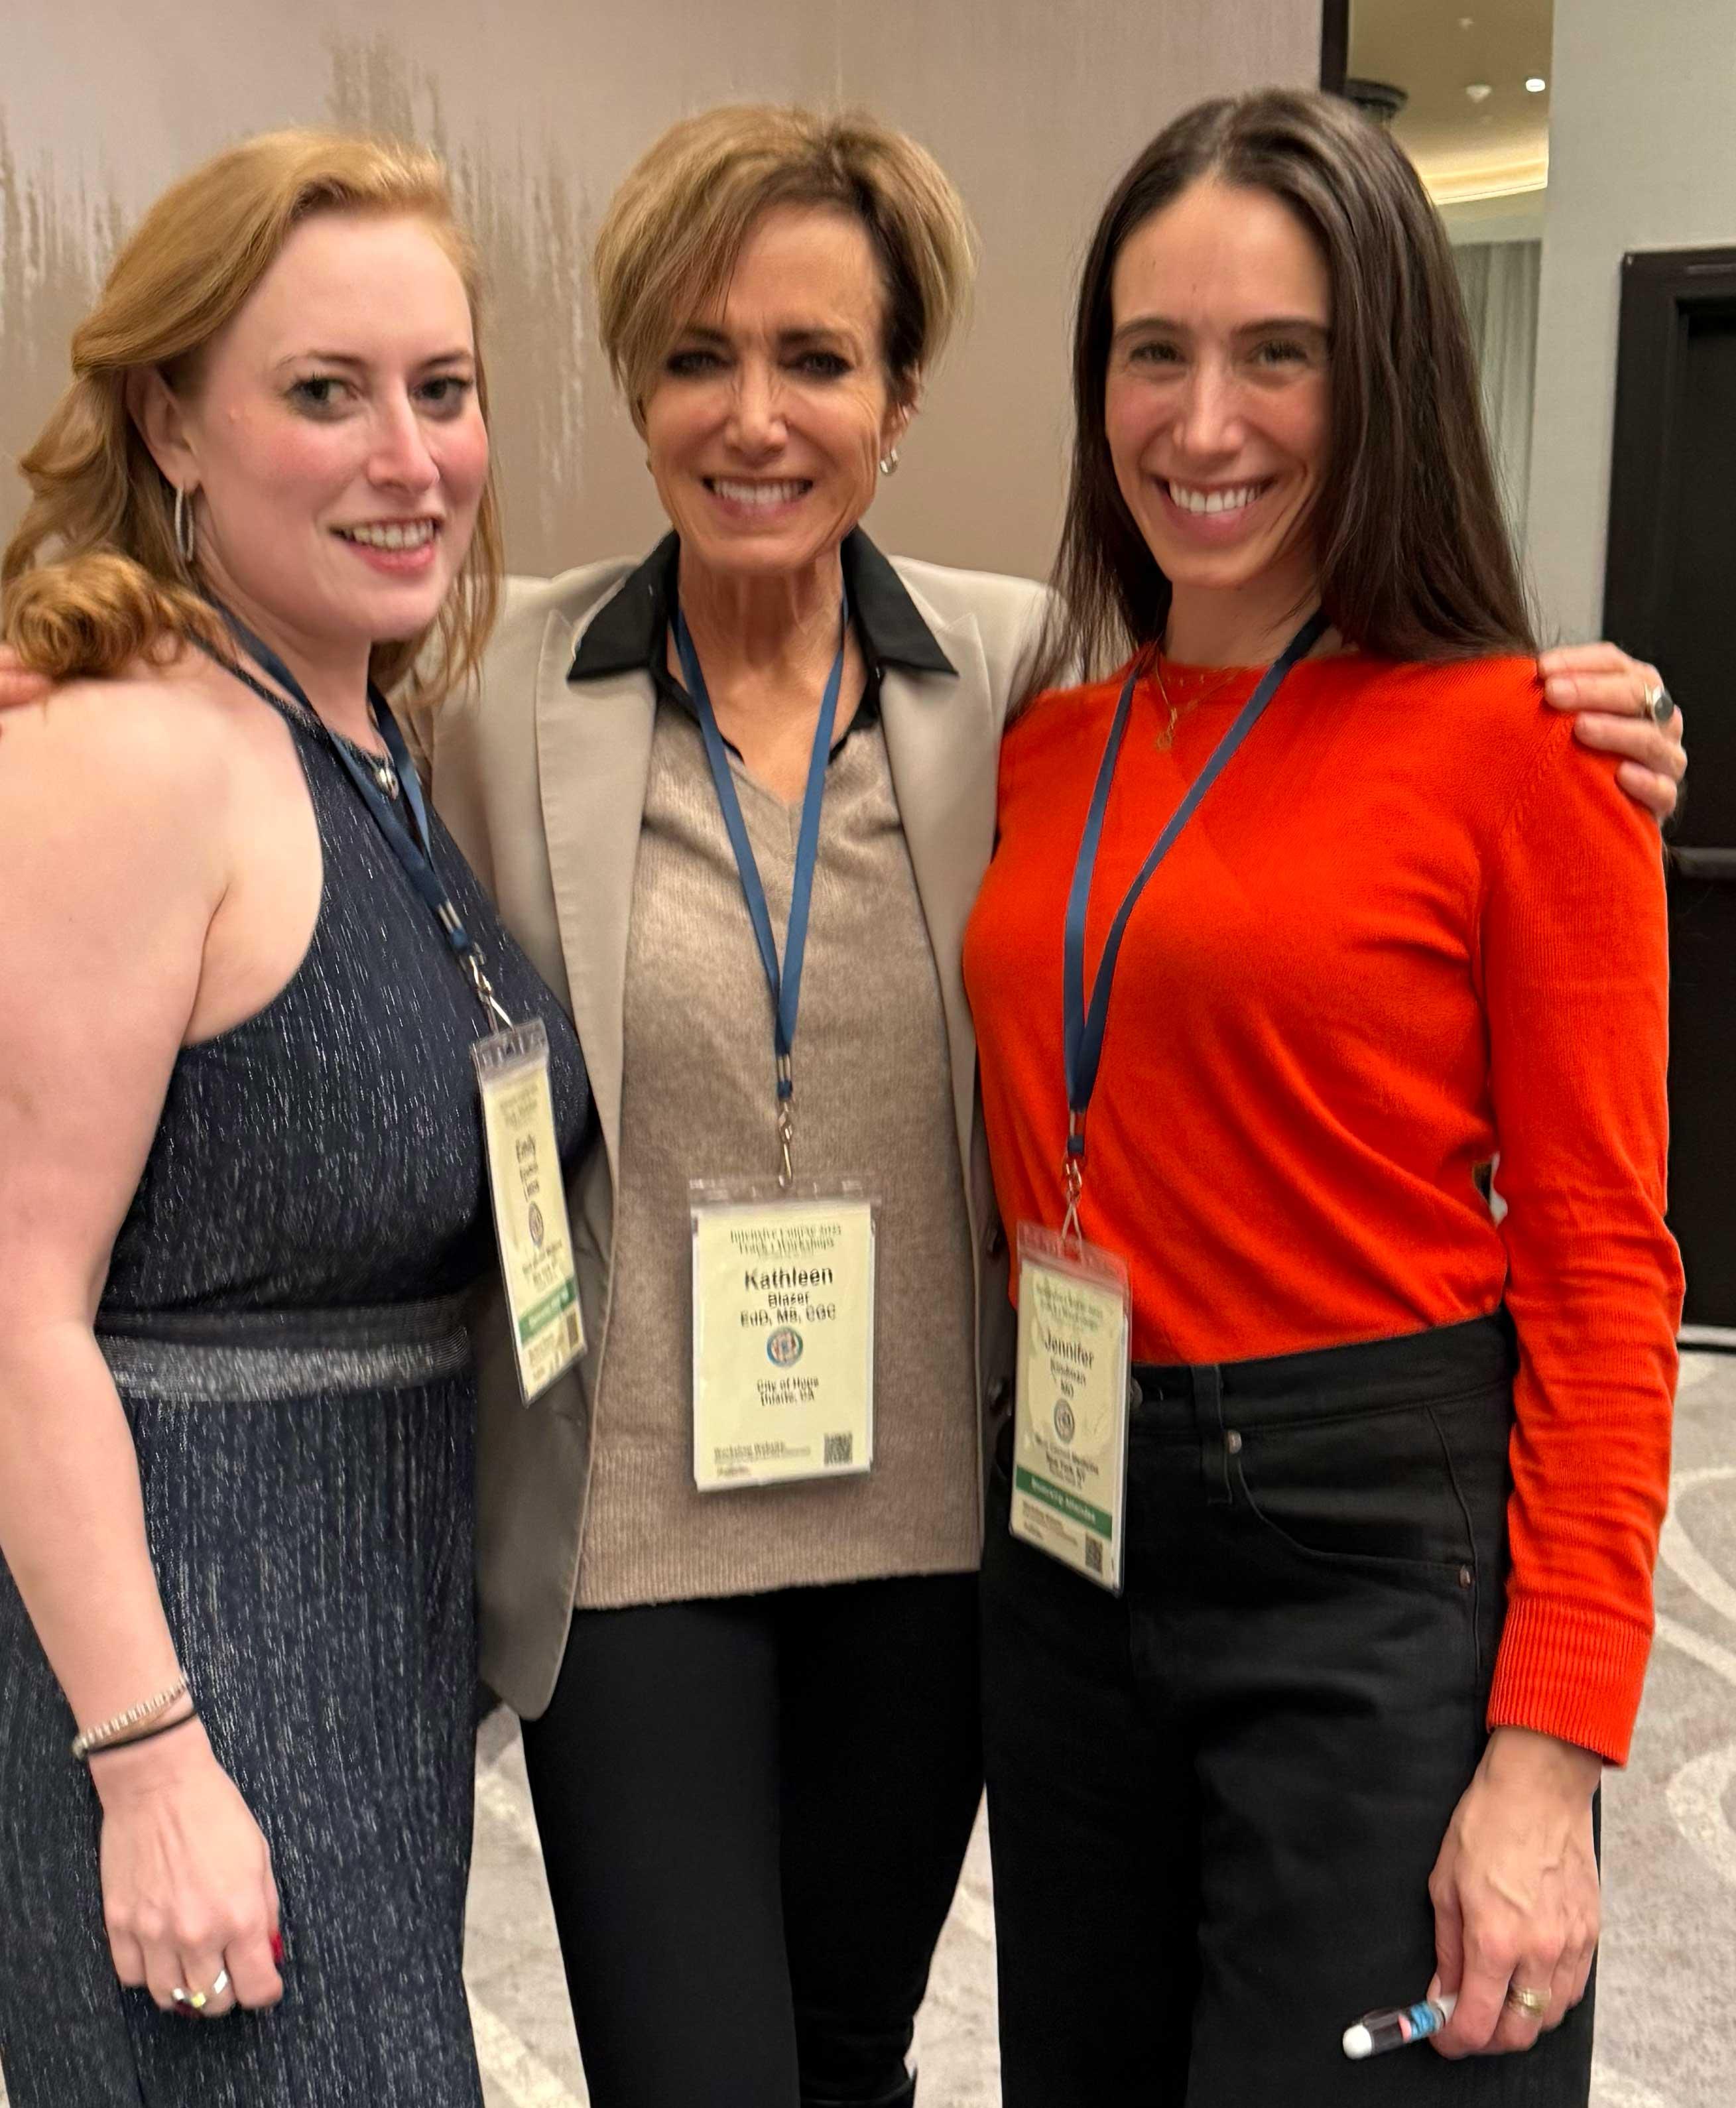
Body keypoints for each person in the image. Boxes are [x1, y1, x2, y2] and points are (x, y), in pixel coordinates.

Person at [0, 103, 1682, 2108]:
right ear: (631, 385)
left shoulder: (1022, 679)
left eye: (817, 358)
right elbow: (258, 720)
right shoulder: (490, 691)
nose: (755, 415)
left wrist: (1593, 726)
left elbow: (1325, 796)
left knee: (859, 2054)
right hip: (633, 1538)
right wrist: (78, 658)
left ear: (900, 400)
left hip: (962, 1534)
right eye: (698, 355)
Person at [961, 88, 1684, 2107]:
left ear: (1385, 376)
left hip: (1371, 1546)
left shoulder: (1526, 752)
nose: (1205, 425)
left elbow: (1610, 1279)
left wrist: (1547, 1757)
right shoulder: (1052, 740)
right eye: (1153, 353)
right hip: (1073, 1538)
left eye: (1279, 354)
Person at [0, 131, 588, 2107]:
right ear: (171, 418)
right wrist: (148, 1758)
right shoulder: (130, 749)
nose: (405, 456)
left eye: (442, 390)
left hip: (370, 1644)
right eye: (322, 394)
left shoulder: (360, 728)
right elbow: (11, 1299)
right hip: (196, 1653)